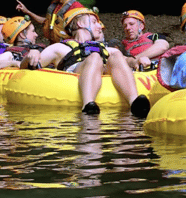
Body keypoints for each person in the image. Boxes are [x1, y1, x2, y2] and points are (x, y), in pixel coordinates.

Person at [21, 7, 151, 117]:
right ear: (80, 24)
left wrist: (136, 61)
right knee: (95, 57)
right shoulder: (59, 48)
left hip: (104, 69)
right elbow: (29, 66)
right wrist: (32, 54)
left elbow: (126, 59)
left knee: (116, 55)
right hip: (78, 70)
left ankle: (135, 102)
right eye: (94, 22)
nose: (99, 26)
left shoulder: (105, 48)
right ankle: (88, 105)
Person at [15, 0, 85, 44]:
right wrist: (27, 11)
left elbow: (82, 33)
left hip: (67, 49)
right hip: (52, 46)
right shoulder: (54, 6)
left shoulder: (76, 7)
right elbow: (45, 22)